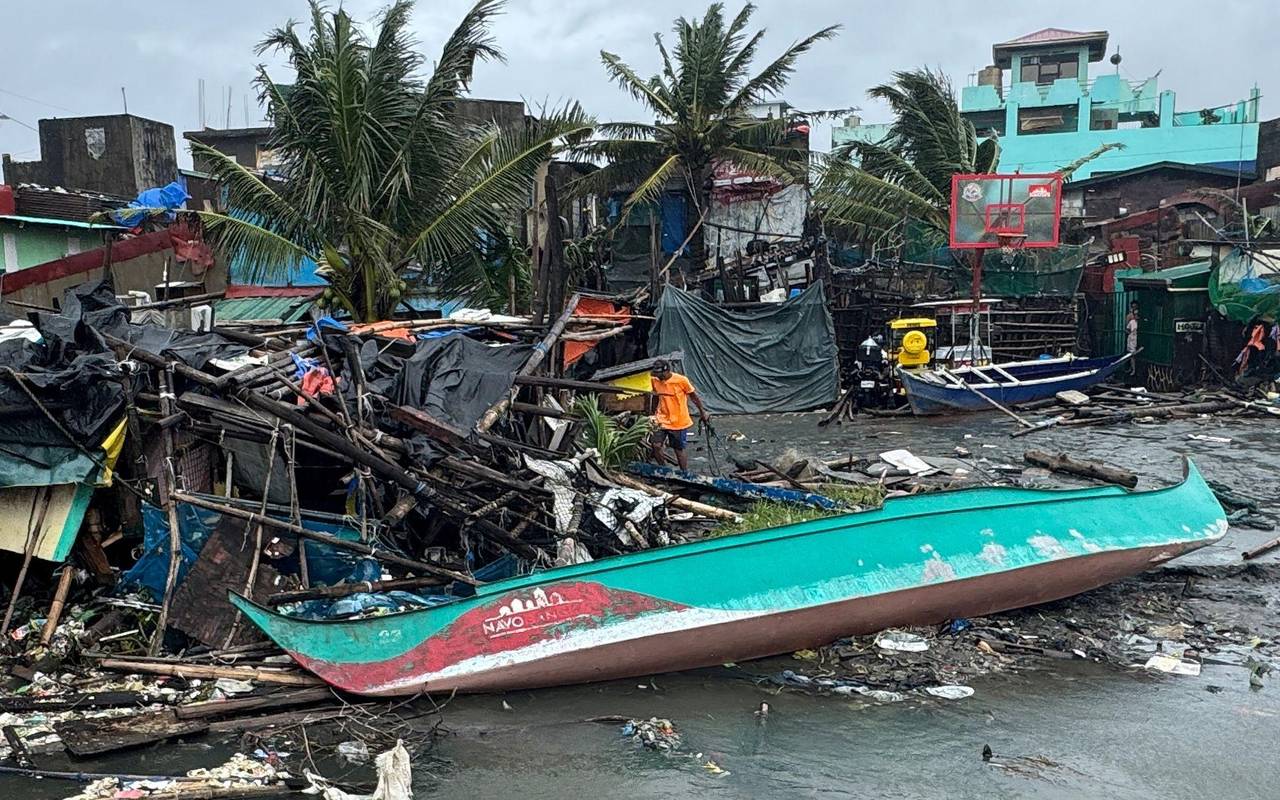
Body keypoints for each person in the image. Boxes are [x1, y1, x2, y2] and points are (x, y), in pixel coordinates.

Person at [648, 359, 709, 471]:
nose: (658, 377)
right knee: (656, 445)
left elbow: (694, 397)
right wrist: (652, 414)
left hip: (678, 420)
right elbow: (656, 396)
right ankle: (664, 469)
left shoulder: (681, 380)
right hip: (661, 418)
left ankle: (684, 473)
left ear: (666, 371)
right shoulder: (655, 380)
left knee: (678, 449)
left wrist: (702, 412)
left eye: (660, 374)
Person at [1125, 301, 1140, 376]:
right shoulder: (1131, 321)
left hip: (1137, 339)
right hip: (1132, 339)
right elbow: (1127, 329)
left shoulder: (1140, 322)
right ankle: (1132, 369)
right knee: (1132, 355)